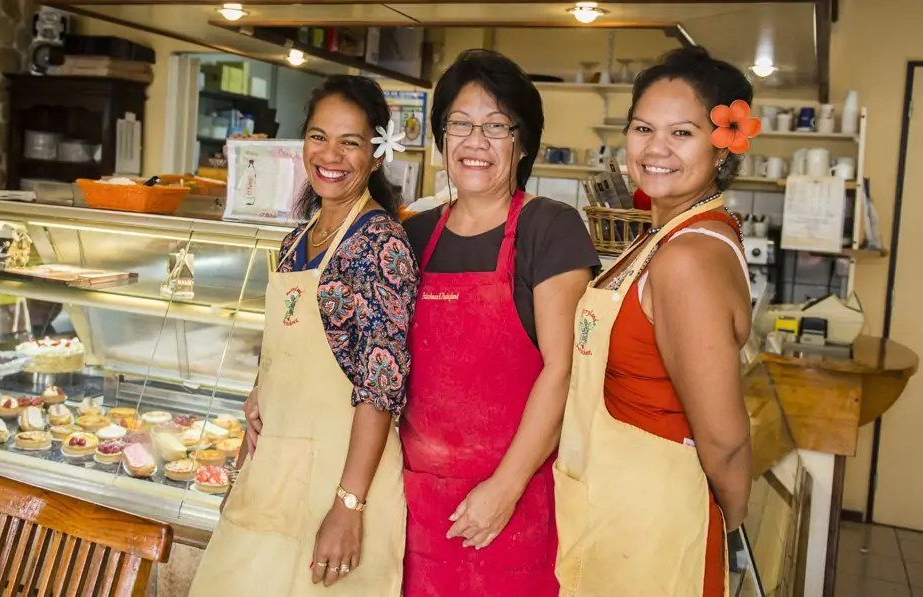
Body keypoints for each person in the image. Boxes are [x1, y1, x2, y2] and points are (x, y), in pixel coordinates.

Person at [191, 75, 419, 597]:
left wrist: (348, 507)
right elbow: (277, 358)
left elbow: (379, 390)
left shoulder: (381, 244)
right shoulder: (297, 239)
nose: (330, 155)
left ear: (377, 154)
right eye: (318, 137)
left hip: (338, 484)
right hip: (276, 474)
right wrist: (251, 435)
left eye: (351, 142)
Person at [554, 46, 754, 596]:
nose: (656, 148)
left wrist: (724, 518)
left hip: (655, 524)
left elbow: (725, 439)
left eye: (683, 133)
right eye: (643, 128)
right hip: (614, 505)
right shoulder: (661, 237)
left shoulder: (688, 257)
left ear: (722, 146)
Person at [400, 49, 598, 596]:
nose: (475, 142)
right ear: (441, 138)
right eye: (460, 124)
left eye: (496, 127)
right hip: (417, 505)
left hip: (517, 506)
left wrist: (504, 489)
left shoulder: (550, 230)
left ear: (524, 142)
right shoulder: (414, 235)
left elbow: (563, 373)